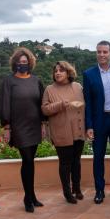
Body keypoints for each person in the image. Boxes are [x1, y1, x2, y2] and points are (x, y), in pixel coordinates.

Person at [0, 47, 45, 212]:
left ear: (30, 63)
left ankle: (32, 196)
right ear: (15, 63)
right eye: (19, 62)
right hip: (18, 127)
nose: (22, 64)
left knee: (30, 161)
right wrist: (7, 127)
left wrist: (43, 124)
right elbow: (4, 104)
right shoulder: (8, 81)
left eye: (25, 62)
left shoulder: (36, 80)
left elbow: (42, 104)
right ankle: (27, 198)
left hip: (34, 126)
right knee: (26, 160)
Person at [83, 40, 110, 204]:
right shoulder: (89, 74)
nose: (101, 55)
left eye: (105, 52)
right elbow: (88, 102)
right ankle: (99, 190)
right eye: (99, 52)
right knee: (98, 157)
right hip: (99, 120)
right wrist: (89, 125)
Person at [41, 61, 86, 204]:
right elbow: (45, 109)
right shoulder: (49, 89)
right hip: (61, 131)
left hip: (78, 130)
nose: (58, 73)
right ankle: (67, 192)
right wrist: (61, 104)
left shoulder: (78, 86)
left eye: (61, 70)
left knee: (76, 162)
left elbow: (85, 103)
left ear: (68, 72)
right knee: (65, 163)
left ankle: (77, 189)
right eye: (56, 71)